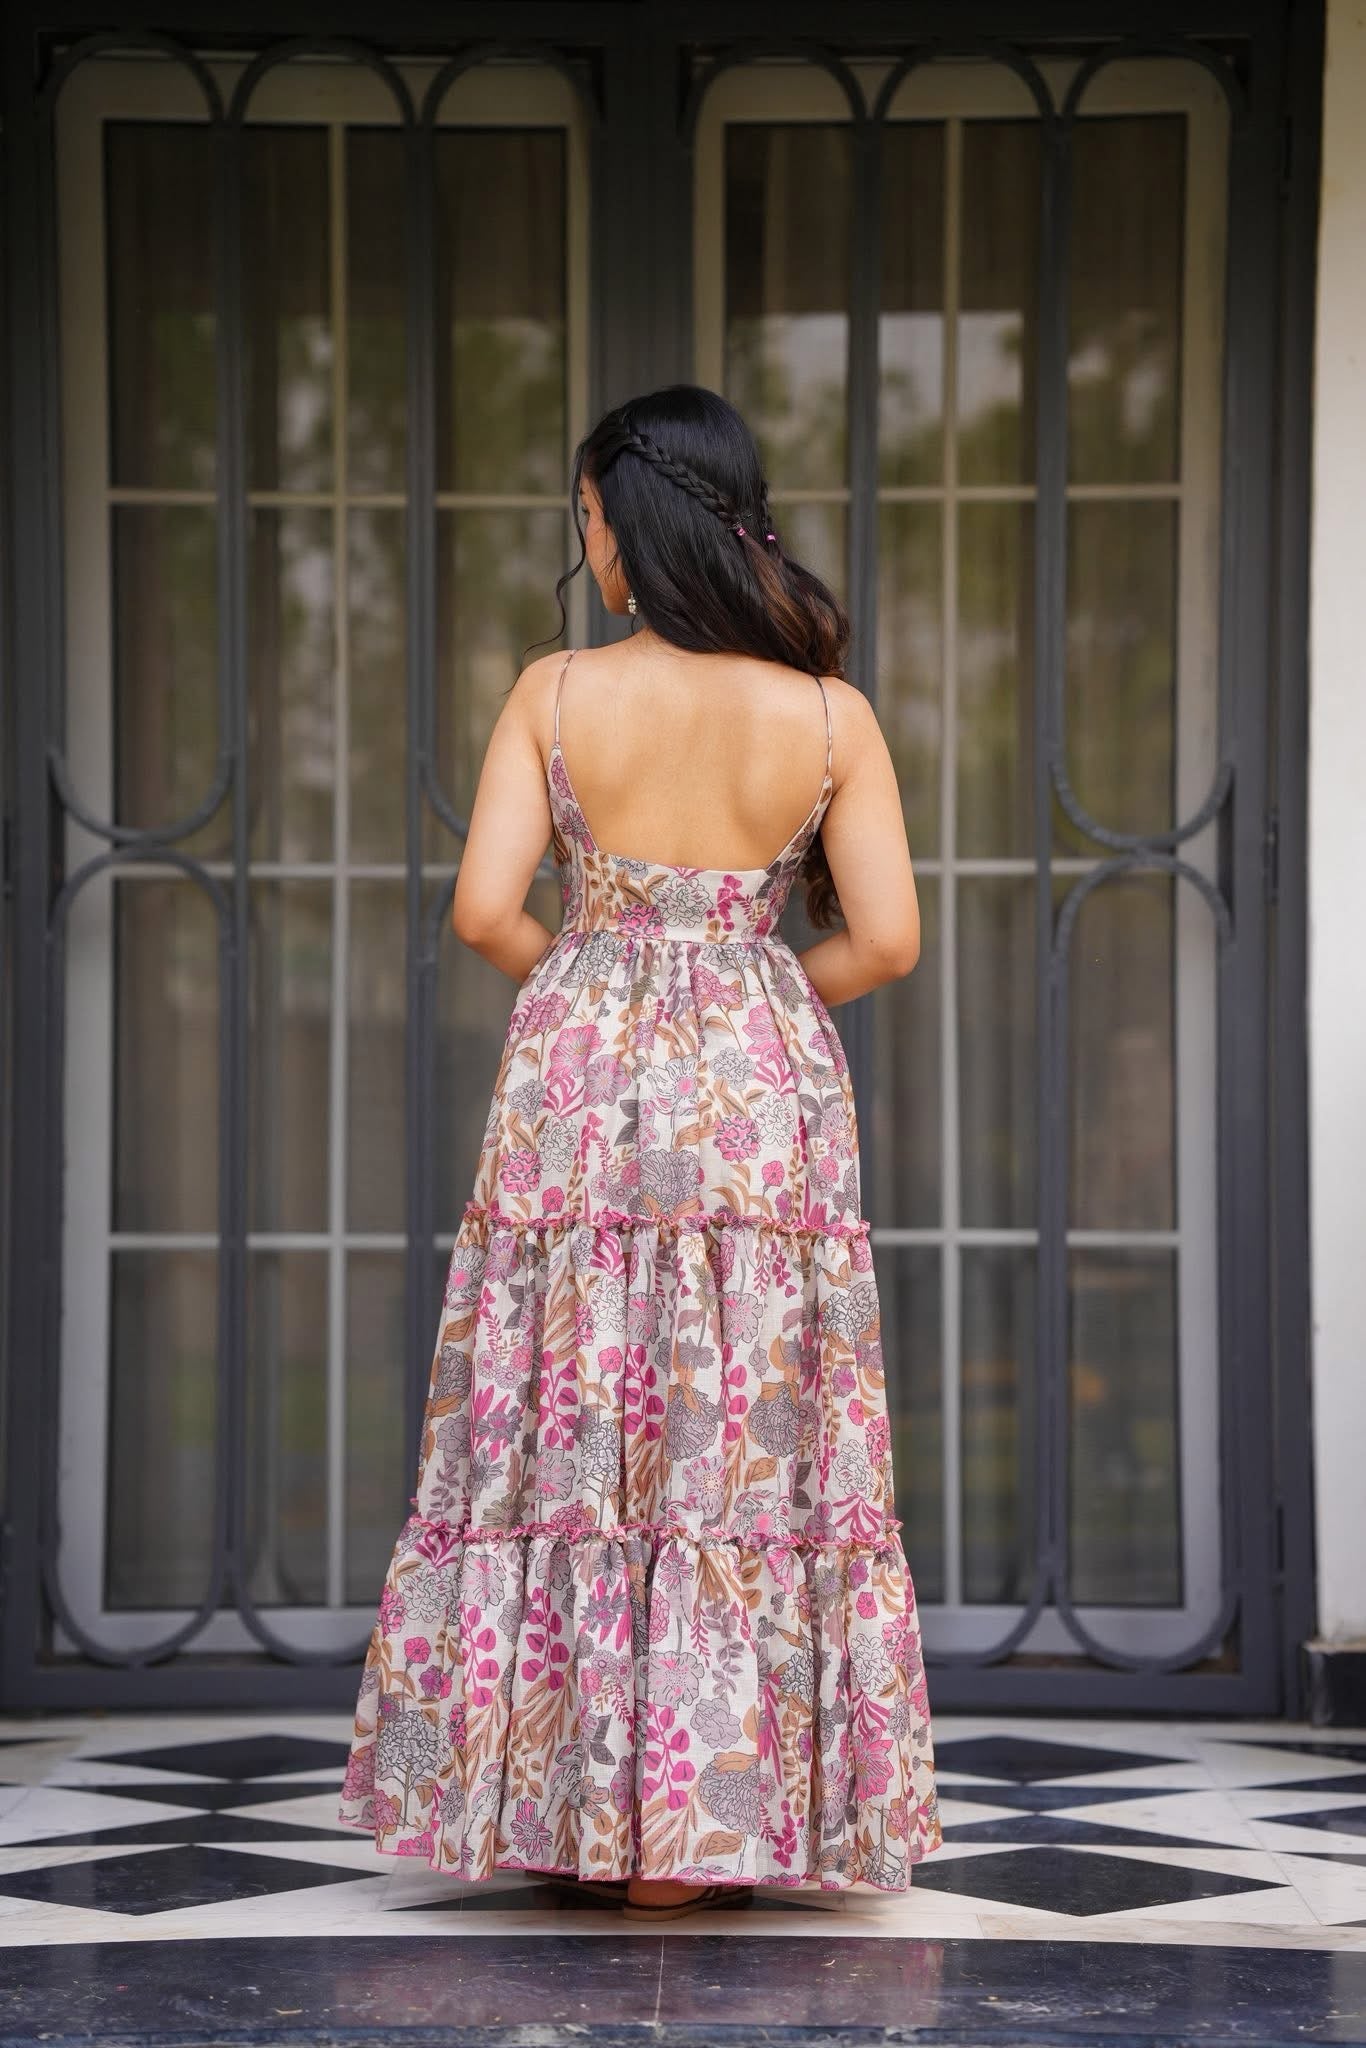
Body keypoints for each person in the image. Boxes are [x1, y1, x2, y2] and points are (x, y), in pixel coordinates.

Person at [338, 383, 942, 1918]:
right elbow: (886, 939)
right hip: (757, 1084)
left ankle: (579, 1804)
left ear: (628, 525)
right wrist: (749, 993)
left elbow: (482, 910)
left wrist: (593, 981)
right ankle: (706, 1827)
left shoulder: (554, 692)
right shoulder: (827, 714)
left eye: (590, 517)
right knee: (744, 1422)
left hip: (583, 1072)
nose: (588, 544)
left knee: (574, 1406)